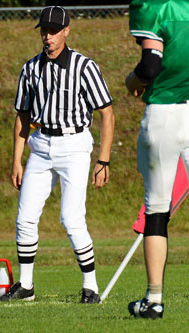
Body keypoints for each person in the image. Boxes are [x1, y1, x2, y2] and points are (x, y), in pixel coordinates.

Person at [0, 6, 115, 304]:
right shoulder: (31, 68)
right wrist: (16, 160)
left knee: (71, 219)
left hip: (74, 144)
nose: (47, 36)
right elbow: (23, 116)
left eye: (53, 31)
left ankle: (91, 287)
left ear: (66, 31)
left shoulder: (84, 66)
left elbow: (106, 112)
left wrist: (103, 160)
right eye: (43, 30)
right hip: (41, 143)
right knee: (24, 218)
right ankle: (26, 286)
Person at [125, 0, 189, 320]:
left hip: (165, 113)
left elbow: (150, 66)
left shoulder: (154, 6)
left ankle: (154, 300)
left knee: (157, 210)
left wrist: (132, 82)